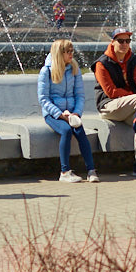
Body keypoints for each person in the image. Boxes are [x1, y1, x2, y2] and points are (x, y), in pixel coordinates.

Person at [92, 27, 136, 177]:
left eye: (127, 41)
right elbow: (111, 92)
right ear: (112, 42)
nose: (124, 44)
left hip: (129, 105)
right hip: (109, 106)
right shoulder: (101, 64)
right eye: (120, 41)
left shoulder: (134, 59)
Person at [39, 39, 98, 183]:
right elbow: (43, 99)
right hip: (53, 114)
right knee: (66, 131)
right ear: (60, 53)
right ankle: (65, 172)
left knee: (80, 131)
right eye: (68, 51)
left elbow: (80, 95)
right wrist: (60, 114)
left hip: (72, 113)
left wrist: (76, 113)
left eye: (72, 51)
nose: (72, 54)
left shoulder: (74, 69)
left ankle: (91, 170)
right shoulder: (46, 71)